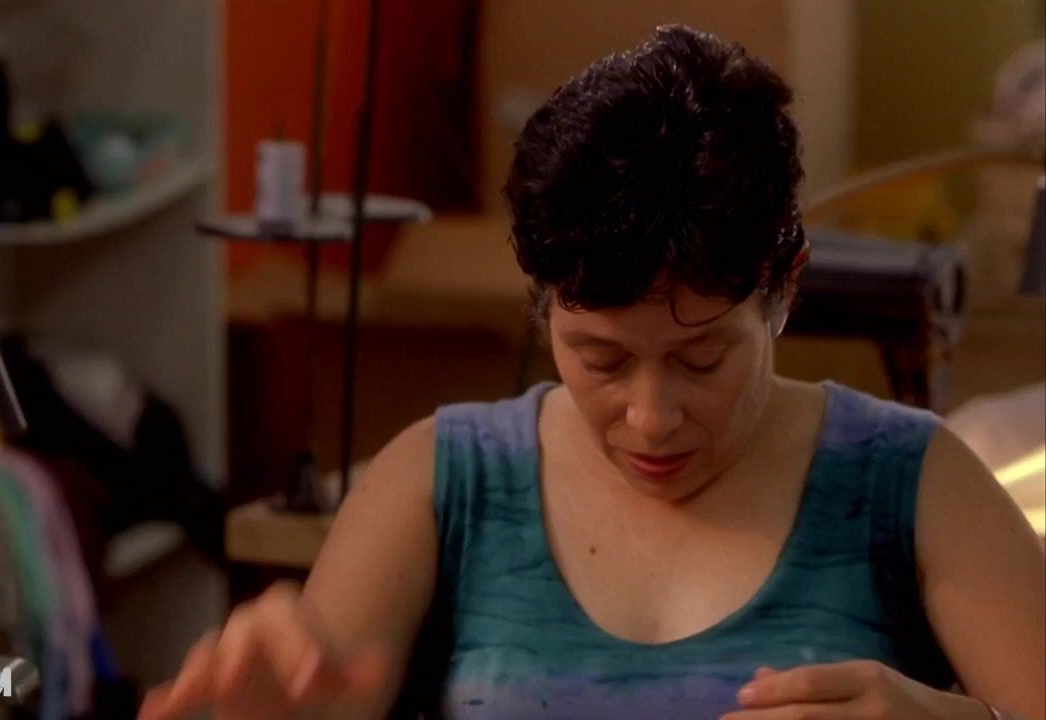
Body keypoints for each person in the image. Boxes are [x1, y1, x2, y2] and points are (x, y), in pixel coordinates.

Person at [141, 25, 1045, 720]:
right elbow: (309, 696)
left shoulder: (908, 482)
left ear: (786, 287)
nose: (651, 418)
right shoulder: (441, 483)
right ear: (542, 303)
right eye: (601, 359)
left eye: (701, 358)